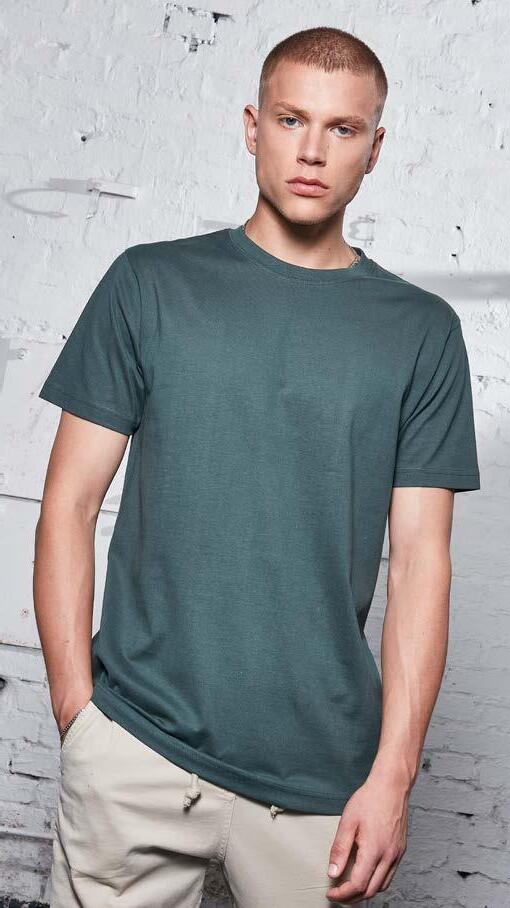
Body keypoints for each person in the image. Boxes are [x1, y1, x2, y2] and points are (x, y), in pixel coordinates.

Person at [34, 25, 481, 908]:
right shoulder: (149, 284)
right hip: (136, 751)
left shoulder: (422, 332)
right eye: (290, 119)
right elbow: (67, 508)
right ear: (252, 126)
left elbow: (421, 565)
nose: (312, 150)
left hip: (323, 784)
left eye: (342, 129)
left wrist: (392, 779)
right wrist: (78, 717)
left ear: (375, 148)